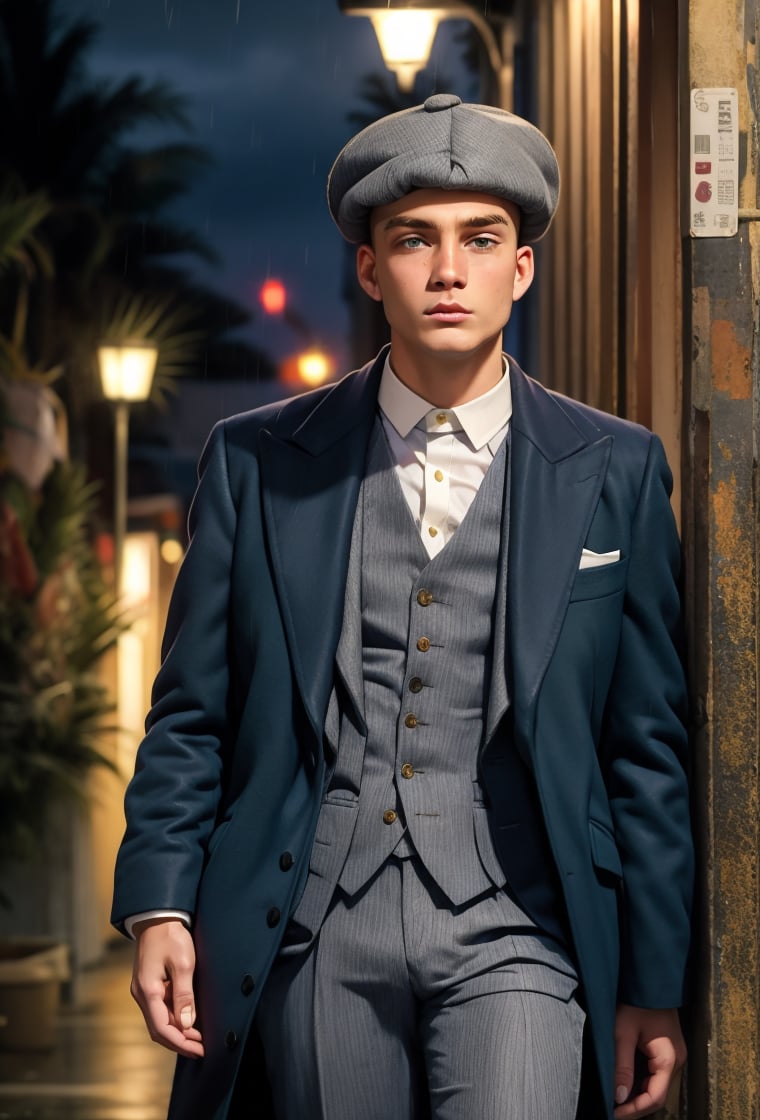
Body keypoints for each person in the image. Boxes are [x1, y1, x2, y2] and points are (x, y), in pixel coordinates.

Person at [112, 94, 693, 1120]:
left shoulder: (614, 468)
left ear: (520, 267)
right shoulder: (254, 460)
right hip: (315, 922)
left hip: (522, 924)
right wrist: (160, 901)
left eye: (481, 239)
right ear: (370, 267)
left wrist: (653, 978)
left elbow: (644, 745)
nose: (447, 271)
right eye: (413, 239)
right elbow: (193, 713)